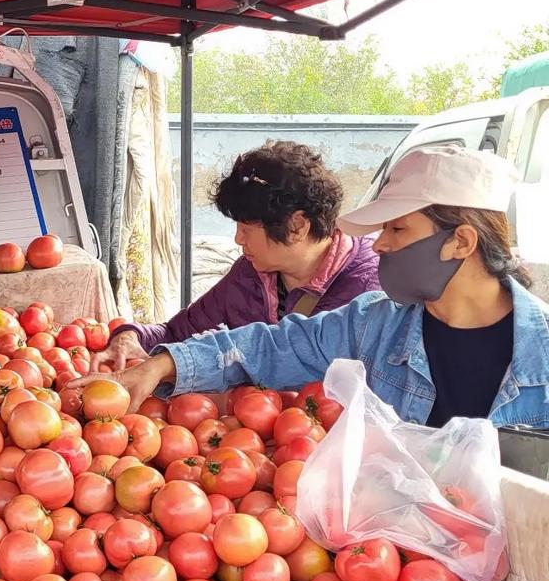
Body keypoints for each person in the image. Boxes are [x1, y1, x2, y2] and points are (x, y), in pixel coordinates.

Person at [113, 145, 549, 428]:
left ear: (460, 242)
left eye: (397, 230)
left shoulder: (541, 358)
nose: (379, 244)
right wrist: (159, 364)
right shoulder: (372, 325)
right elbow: (270, 346)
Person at [110, 142, 381, 364]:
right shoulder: (249, 274)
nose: (238, 239)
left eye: (247, 228)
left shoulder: (371, 289)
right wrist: (130, 336)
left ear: (296, 226)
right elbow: (175, 332)